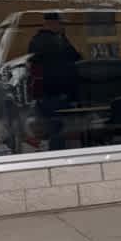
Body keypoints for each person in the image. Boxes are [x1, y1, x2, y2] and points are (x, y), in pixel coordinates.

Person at [26, 12, 81, 150]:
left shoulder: (38, 40)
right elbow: (74, 58)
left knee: (54, 129)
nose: (64, 28)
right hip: (55, 93)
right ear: (51, 23)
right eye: (62, 24)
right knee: (57, 130)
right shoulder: (53, 41)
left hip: (48, 94)